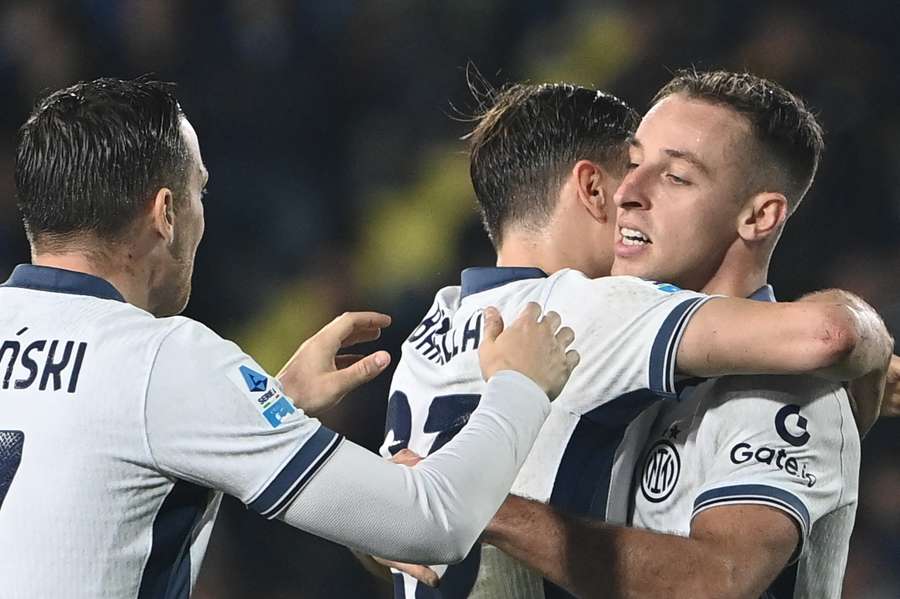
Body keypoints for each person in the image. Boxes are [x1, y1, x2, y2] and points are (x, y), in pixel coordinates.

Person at [0, 77, 581, 598]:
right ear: (166, 213)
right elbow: (434, 524)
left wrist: (272, 401)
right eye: (201, 191)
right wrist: (518, 386)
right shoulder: (163, 359)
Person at [374, 80, 893, 598]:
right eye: (633, 163)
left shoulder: (791, 391)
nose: (626, 193)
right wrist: (397, 509)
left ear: (758, 217)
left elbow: (719, 584)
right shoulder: (614, 359)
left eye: (675, 177)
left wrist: (468, 502)